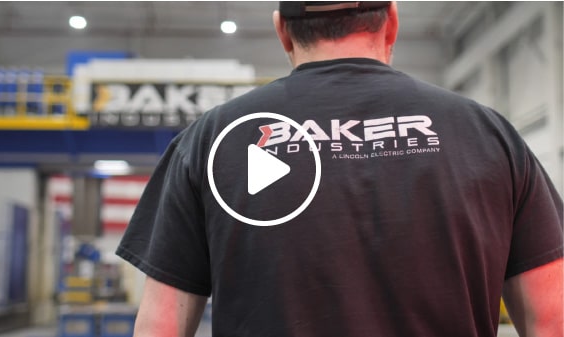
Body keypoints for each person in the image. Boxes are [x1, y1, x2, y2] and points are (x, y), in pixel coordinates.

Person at [117, 2, 563, 336]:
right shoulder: (487, 134)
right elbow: (552, 318)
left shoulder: (211, 140)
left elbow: (160, 327)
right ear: (391, 21)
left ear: (282, 31)